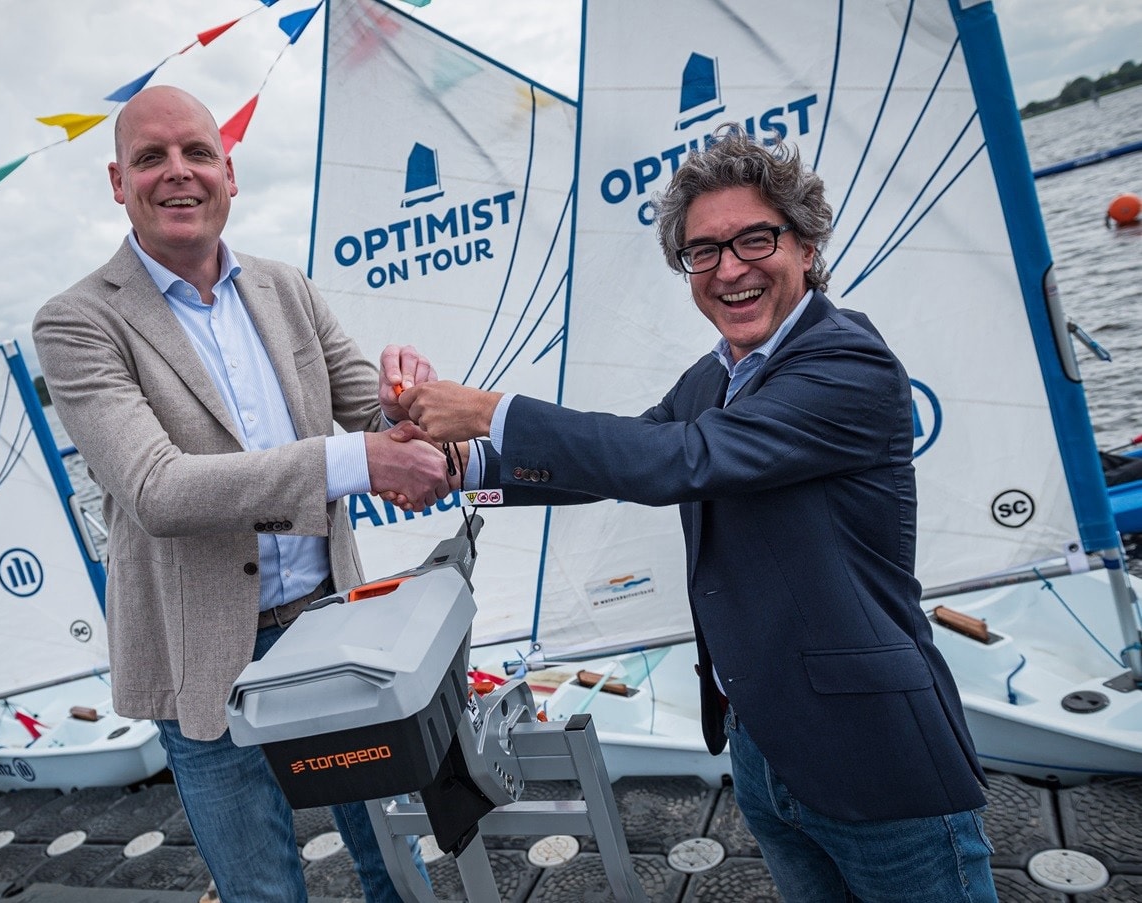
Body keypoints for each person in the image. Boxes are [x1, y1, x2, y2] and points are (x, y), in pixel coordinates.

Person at [399, 127, 997, 901]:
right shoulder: (711, 378)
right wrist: (462, 470)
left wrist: (489, 410)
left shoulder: (847, 363)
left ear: (806, 245)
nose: (730, 268)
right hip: (762, 743)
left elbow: (677, 461)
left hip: (873, 753)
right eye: (703, 250)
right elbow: (618, 459)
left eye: (754, 239)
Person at [32, 84, 447, 903]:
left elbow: (369, 414)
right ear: (117, 182)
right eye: (149, 157)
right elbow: (156, 489)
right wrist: (357, 459)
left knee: (397, 869)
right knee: (261, 890)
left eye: (197, 152)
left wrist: (404, 402)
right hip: (201, 656)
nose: (176, 172)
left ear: (229, 173)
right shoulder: (76, 322)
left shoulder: (285, 287)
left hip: (334, 626)